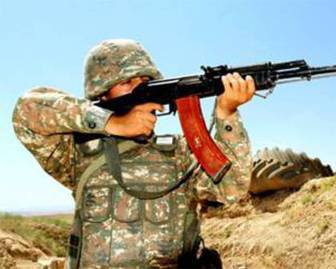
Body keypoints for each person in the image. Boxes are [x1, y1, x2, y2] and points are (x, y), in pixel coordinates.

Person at [12, 39, 255, 268]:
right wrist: (113, 123)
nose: (139, 87)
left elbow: (231, 189)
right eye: (127, 82)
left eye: (144, 80)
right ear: (102, 94)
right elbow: (27, 109)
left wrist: (227, 115)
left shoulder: (180, 152)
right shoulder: (76, 152)